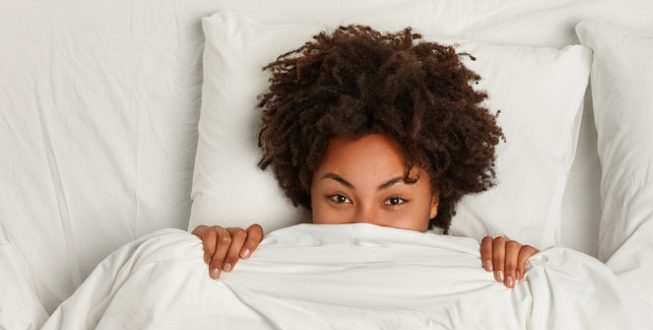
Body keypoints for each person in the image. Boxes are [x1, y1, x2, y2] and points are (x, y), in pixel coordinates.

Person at [192, 25, 538, 288]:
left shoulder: (477, 273)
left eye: (395, 200)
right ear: (309, 190)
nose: (364, 225)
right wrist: (203, 255)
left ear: (434, 200)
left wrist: (530, 271)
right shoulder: (265, 263)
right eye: (339, 197)